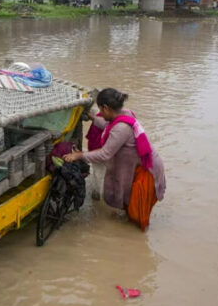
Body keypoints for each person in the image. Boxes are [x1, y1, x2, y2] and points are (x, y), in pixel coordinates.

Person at [63, 89, 166, 231]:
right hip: (141, 164)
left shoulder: (121, 128)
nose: (101, 114)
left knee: (138, 212)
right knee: (130, 202)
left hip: (148, 169)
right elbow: (107, 125)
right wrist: (93, 118)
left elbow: (105, 154)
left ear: (106, 108)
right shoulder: (125, 114)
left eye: (101, 110)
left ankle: (134, 238)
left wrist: (80, 155)